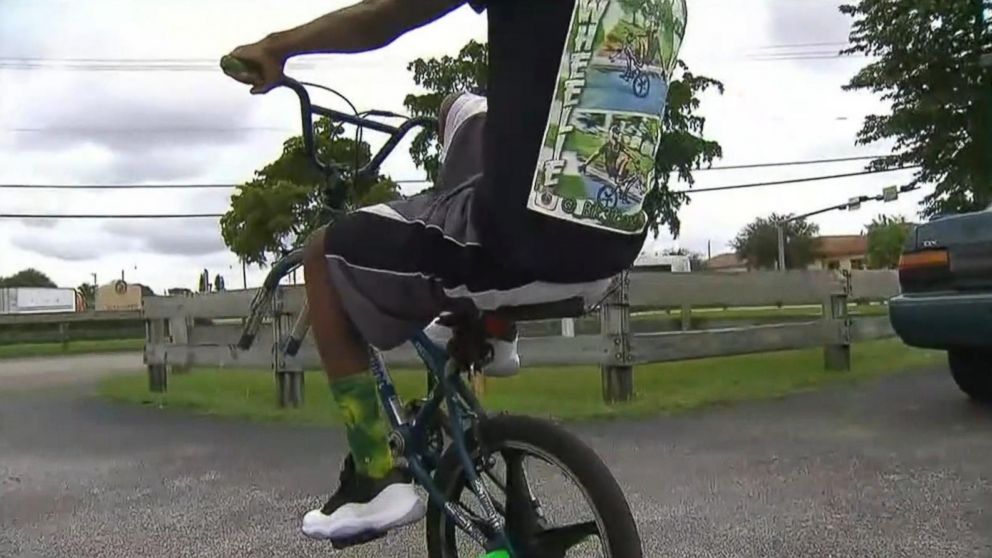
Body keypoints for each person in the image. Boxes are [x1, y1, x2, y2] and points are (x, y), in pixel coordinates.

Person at [224, 0, 687, 547]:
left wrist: (278, 46)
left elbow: (384, 15)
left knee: (323, 255)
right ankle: (488, 333)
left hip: (516, 239)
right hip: (609, 245)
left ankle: (374, 475)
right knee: (461, 108)